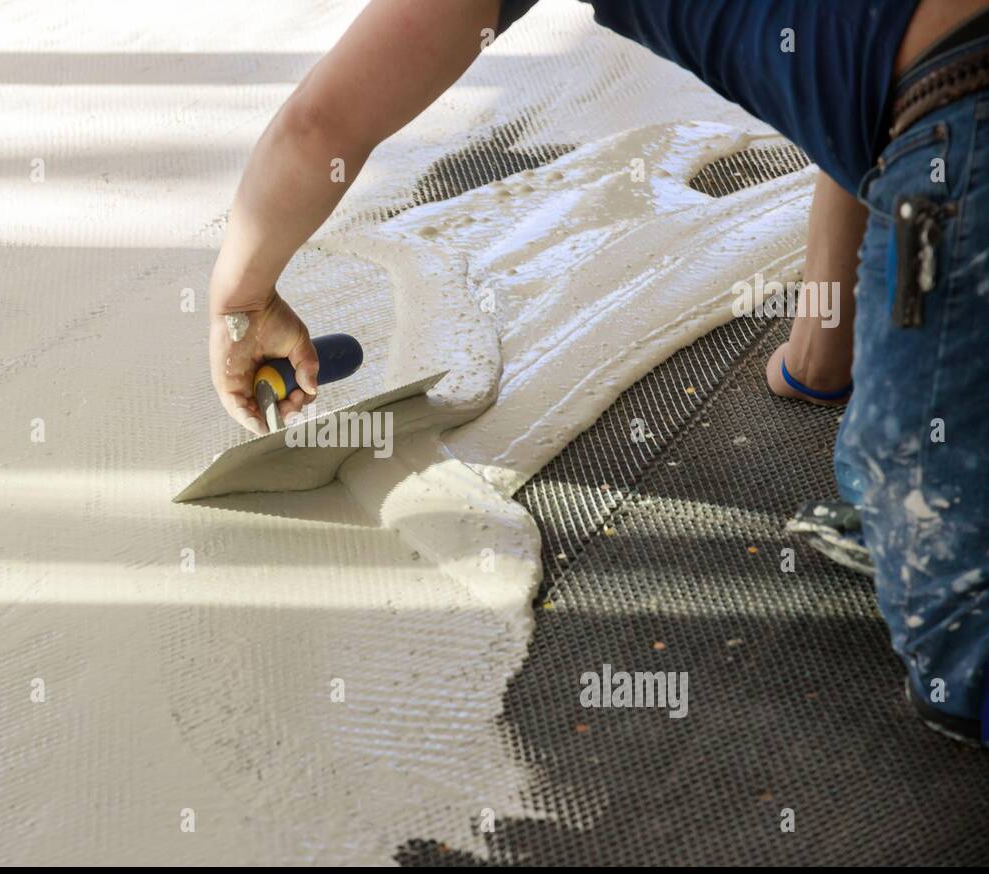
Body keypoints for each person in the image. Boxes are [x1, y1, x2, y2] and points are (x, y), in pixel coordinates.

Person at [206, 0, 989, 746]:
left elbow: (322, 125)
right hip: (946, 105)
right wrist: (822, 354)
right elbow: (873, 108)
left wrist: (238, 304)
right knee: (881, 473)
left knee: (957, 645)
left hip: (968, 128)